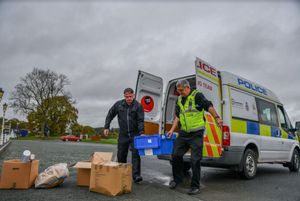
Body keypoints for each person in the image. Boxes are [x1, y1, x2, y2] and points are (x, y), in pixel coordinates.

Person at [167, 79, 223, 195]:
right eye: (178, 90)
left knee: (195, 160)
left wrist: (217, 117)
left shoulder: (197, 95)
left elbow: (208, 106)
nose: (179, 92)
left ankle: (195, 186)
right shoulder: (179, 99)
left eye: (181, 90)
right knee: (175, 155)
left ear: (187, 88)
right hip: (183, 133)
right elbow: (178, 116)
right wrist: (172, 130)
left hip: (196, 133)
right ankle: (177, 179)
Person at [104, 88, 145, 183]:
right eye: (127, 97)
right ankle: (121, 173)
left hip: (135, 134)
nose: (129, 98)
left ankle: (136, 176)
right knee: (121, 154)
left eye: (130, 96)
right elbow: (110, 115)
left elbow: (140, 120)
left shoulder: (138, 106)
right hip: (123, 134)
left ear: (133, 95)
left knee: (136, 154)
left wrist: (141, 132)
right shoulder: (119, 105)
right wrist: (106, 127)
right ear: (124, 96)